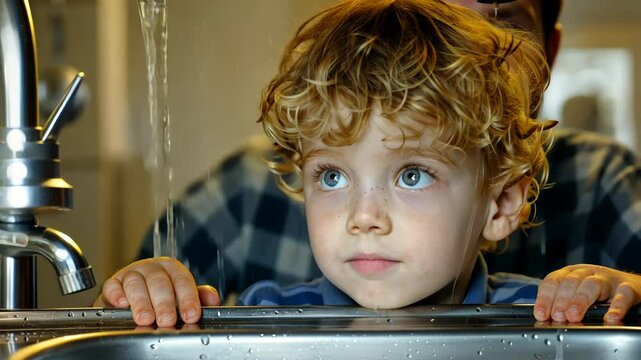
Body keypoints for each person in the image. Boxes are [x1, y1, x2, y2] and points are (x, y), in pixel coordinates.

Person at [101, 0, 641, 328]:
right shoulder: (261, 317)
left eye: (412, 175)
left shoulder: (545, 318)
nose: (364, 218)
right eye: (332, 177)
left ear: (500, 204)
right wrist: (151, 295)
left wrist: (624, 298)